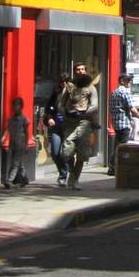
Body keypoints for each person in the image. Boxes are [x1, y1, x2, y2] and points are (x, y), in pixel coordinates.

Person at [59, 62, 100, 190]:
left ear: (86, 71)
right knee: (66, 153)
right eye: (78, 69)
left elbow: (95, 105)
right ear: (74, 71)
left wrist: (84, 112)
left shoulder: (91, 87)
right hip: (70, 123)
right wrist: (66, 113)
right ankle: (72, 172)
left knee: (82, 154)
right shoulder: (69, 87)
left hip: (84, 124)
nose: (80, 71)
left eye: (82, 69)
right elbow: (61, 104)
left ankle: (75, 179)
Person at [107, 73, 139, 174]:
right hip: (124, 122)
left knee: (117, 146)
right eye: (127, 80)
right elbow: (132, 108)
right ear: (121, 81)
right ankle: (119, 168)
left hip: (115, 122)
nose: (130, 82)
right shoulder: (125, 92)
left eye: (130, 80)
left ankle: (112, 167)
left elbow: (111, 108)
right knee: (123, 147)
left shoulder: (113, 92)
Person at [41, 72, 71, 185]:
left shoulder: (73, 94)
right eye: (62, 82)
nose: (64, 84)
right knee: (55, 152)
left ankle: (64, 175)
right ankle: (63, 170)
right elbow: (48, 108)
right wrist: (49, 118)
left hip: (68, 127)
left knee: (67, 153)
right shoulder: (56, 93)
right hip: (56, 127)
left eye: (66, 81)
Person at [2, 97, 30, 188]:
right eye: (13, 105)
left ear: (21, 106)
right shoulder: (11, 119)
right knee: (19, 163)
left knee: (15, 163)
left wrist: (26, 144)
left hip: (20, 144)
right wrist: (3, 137)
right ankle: (25, 178)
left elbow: (26, 133)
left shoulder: (24, 119)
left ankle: (9, 180)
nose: (14, 107)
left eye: (17, 105)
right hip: (12, 144)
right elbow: (8, 129)